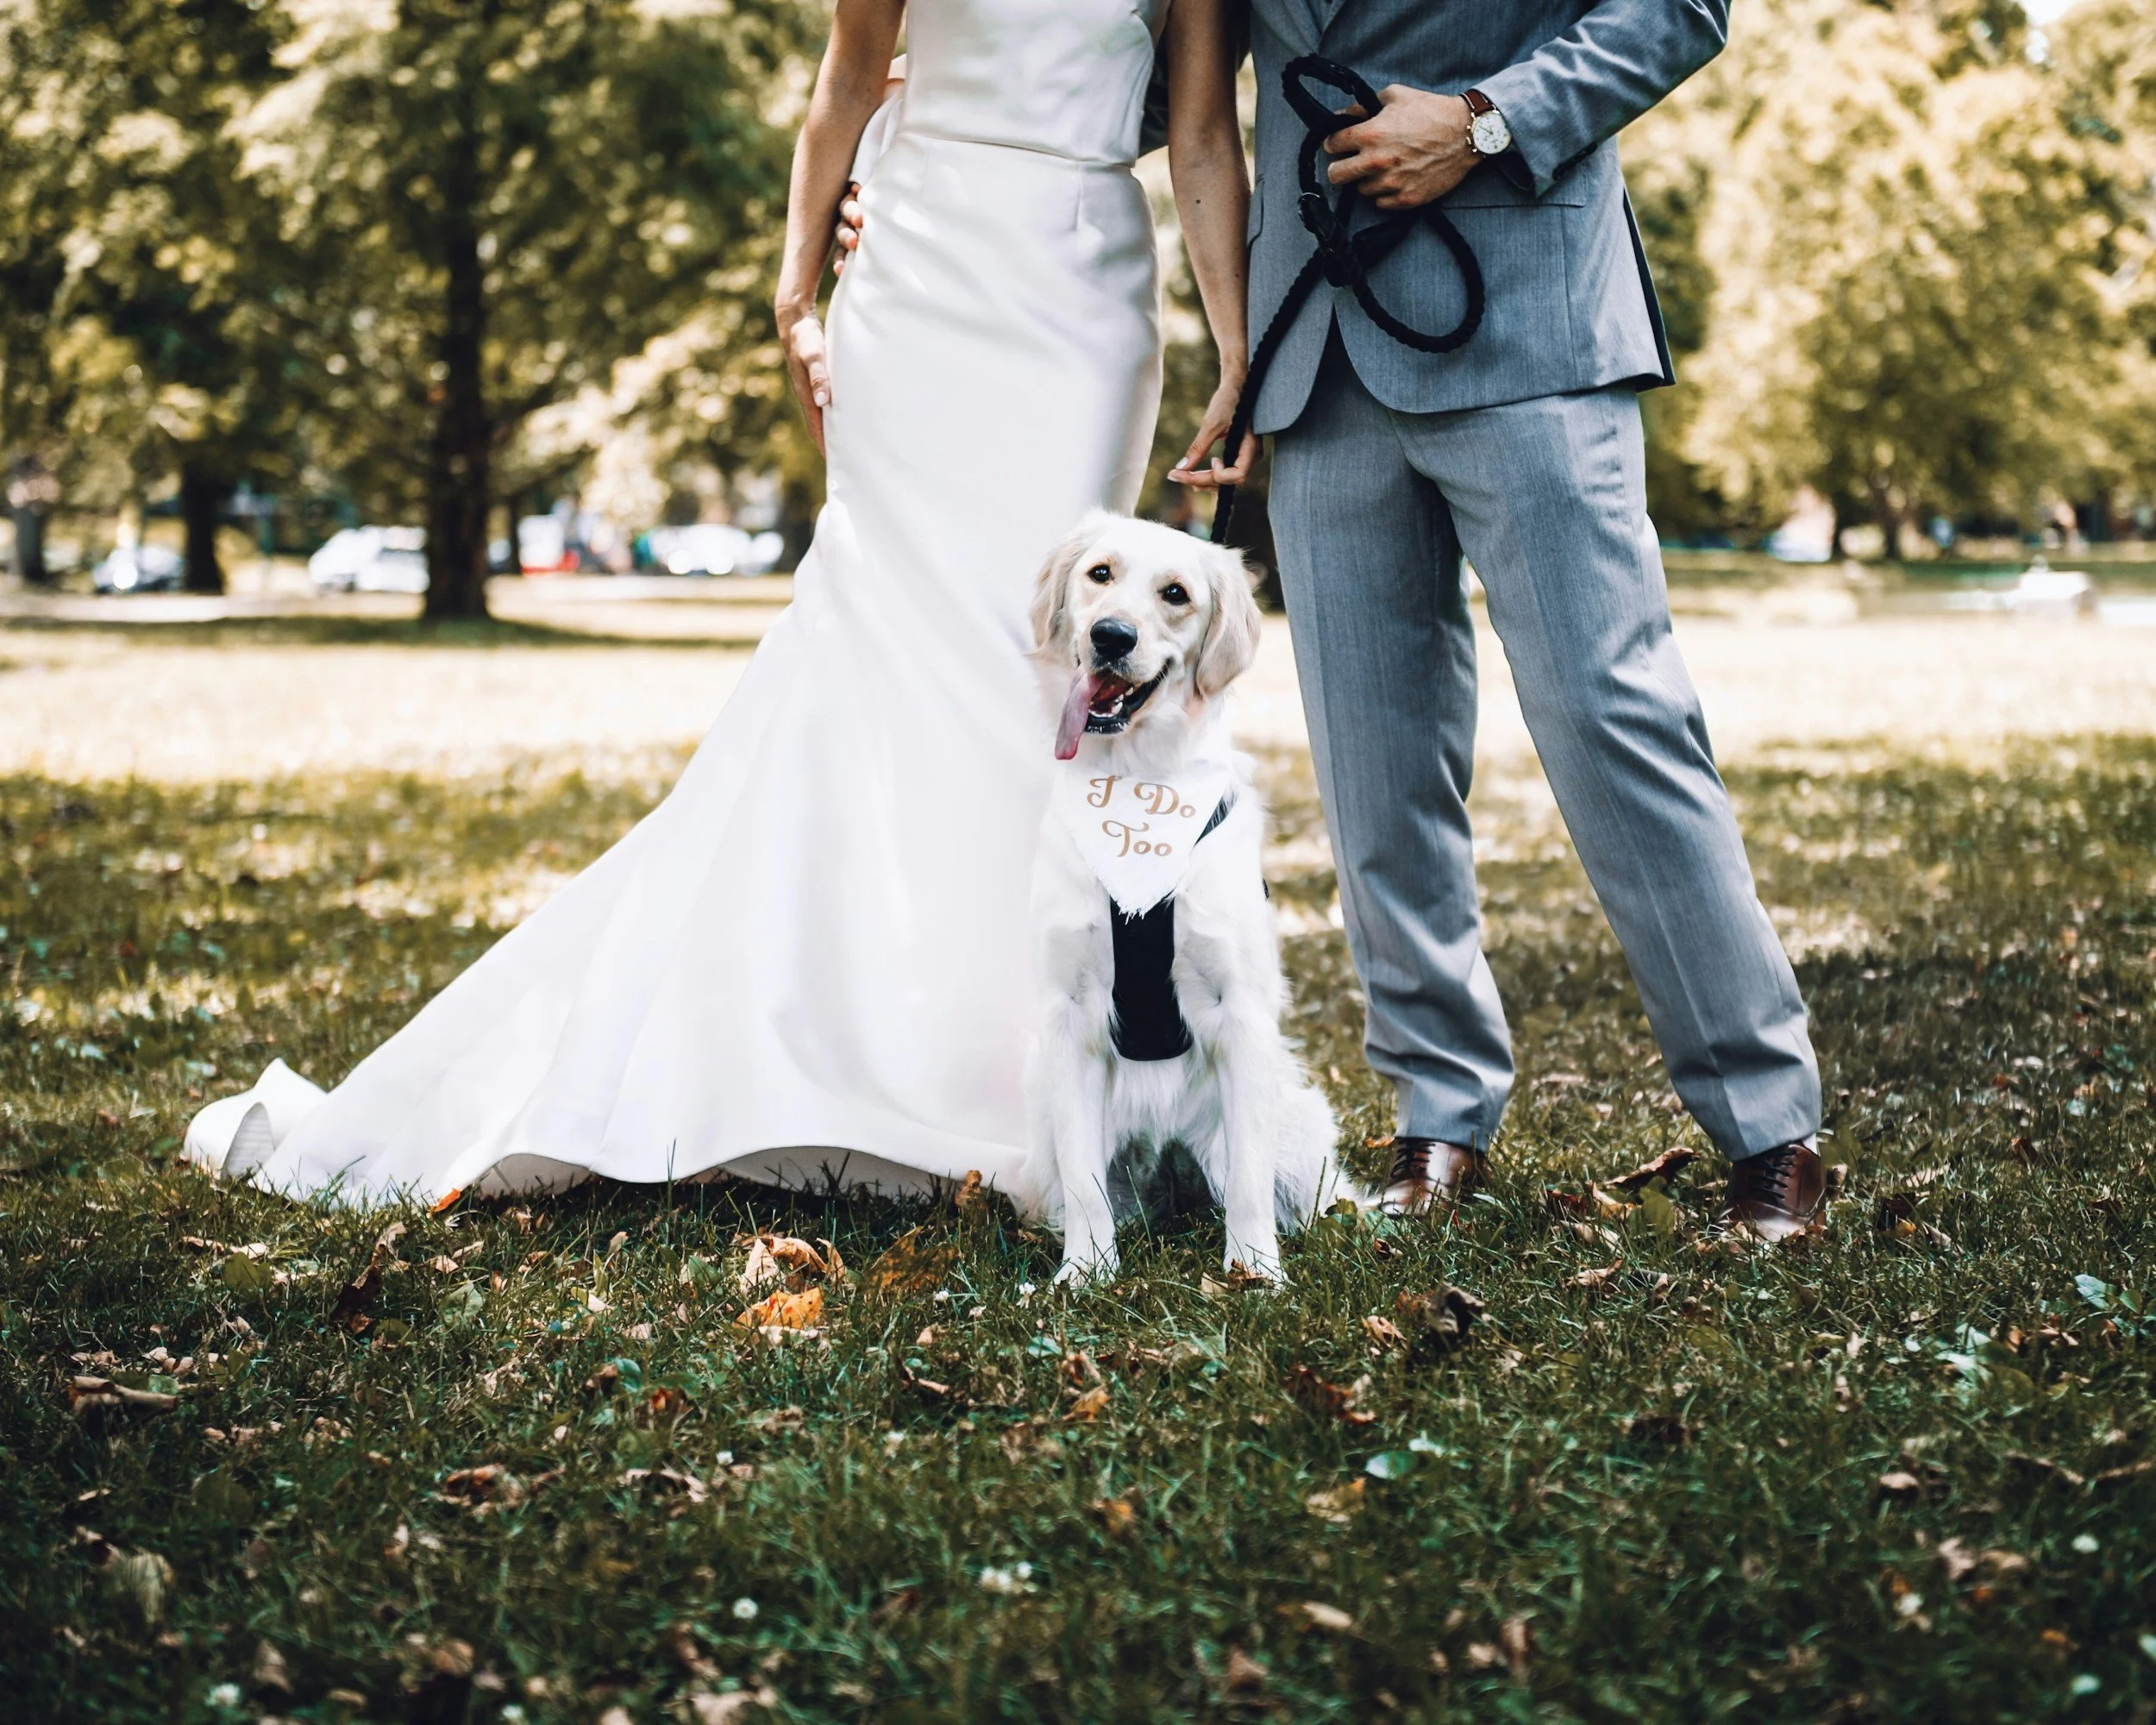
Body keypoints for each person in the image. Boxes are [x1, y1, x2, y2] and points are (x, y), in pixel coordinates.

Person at [185, 0, 1257, 1207]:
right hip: (920, 277)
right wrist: (796, 300)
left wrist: (1236, 349)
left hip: (1086, 295)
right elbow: (847, 80)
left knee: (1040, 672)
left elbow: (1206, 132)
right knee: (881, 645)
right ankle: (835, 1044)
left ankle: (1044, 1066)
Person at [1167, 0, 1827, 1238]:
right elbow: (1174, 95)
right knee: (1374, 764)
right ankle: (1437, 1110)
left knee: (1611, 720)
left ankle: (1769, 1127)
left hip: (1528, 314)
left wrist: (1483, 121)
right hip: (1317, 346)